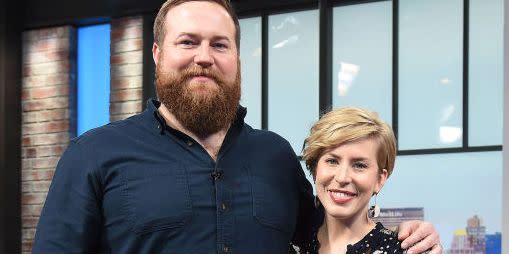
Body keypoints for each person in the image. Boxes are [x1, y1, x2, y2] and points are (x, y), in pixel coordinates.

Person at [32, 0, 442, 253]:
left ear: (237, 58)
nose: (205, 57)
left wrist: (402, 237)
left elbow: (331, 232)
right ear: (157, 54)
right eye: (188, 42)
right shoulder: (94, 154)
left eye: (219, 44)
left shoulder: (276, 156)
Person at [298, 107, 405, 253]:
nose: (342, 178)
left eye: (359, 165)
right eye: (332, 161)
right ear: (316, 168)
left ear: (380, 180)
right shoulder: (287, 242)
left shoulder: (402, 250)